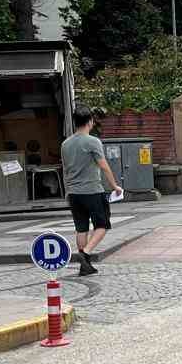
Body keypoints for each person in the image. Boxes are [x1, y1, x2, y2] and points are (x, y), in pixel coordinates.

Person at [61, 106, 120, 276]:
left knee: (81, 228)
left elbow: (65, 170)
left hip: (74, 193)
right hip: (92, 191)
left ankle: (84, 265)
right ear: (90, 122)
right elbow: (103, 166)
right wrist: (114, 185)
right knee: (102, 224)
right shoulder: (93, 141)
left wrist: (68, 190)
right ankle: (85, 253)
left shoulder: (65, 144)